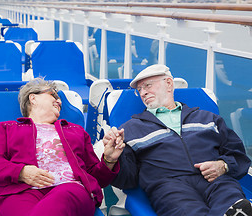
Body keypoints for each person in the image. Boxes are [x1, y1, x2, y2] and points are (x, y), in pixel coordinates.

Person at [108, 64, 252, 216]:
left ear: (169, 84)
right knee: (187, 210)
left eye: (147, 86)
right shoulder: (130, 129)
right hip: (169, 186)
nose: (143, 92)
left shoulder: (207, 118)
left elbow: (238, 154)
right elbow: (127, 179)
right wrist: (111, 160)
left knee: (231, 199)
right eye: (139, 90)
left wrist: (223, 165)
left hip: (215, 180)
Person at [0, 78, 125, 216]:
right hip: (21, 192)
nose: (59, 101)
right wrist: (22, 172)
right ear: (33, 98)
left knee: (65, 195)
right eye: (53, 95)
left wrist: (109, 160)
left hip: (69, 188)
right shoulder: (7, 128)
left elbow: (96, 179)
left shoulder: (75, 131)